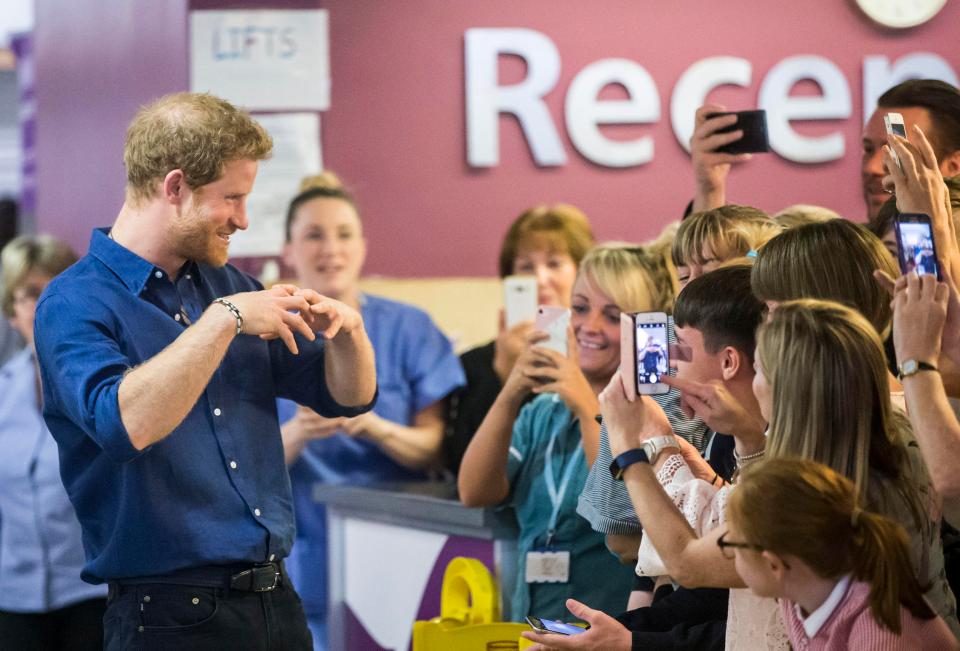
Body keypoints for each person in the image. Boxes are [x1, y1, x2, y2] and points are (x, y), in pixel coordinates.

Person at [33, 92, 377, 650]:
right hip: (167, 616)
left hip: (275, 603)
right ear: (175, 187)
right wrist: (225, 322)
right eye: (232, 199)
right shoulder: (74, 303)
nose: (243, 220)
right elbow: (126, 424)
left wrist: (350, 332)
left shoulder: (232, 286)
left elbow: (347, 396)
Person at [278, 172, 465, 648]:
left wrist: (373, 427)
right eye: (313, 235)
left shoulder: (410, 330)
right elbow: (238, 469)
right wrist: (299, 432)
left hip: (403, 555)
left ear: (363, 245)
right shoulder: (264, 335)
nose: (330, 249)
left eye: (343, 234)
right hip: (302, 564)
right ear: (288, 250)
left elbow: (435, 452)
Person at [459, 244, 663, 622]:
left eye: (612, 316)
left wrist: (585, 401)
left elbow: (614, 505)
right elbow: (475, 491)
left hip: (610, 626)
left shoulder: (649, 414)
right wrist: (510, 393)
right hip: (536, 624)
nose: (589, 327)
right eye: (581, 308)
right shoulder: (544, 410)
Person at [0, 235, 108, 650]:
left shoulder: (106, 381)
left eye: (54, 290)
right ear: (12, 310)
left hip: (92, 590)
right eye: (30, 294)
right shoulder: (5, 390)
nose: (43, 305)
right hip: (14, 597)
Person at [726, 458, 958, 650]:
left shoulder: (880, 637)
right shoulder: (797, 597)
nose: (729, 552)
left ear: (773, 565)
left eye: (733, 546)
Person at [445, 204, 596, 474]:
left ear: (581, 271)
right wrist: (504, 376)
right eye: (526, 267)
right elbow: (460, 465)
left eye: (554, 263)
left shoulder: (600, 353)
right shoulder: (475, 364)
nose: (540, 279)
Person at [863, 79, 960, 224]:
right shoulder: (847, 244)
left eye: (896, 151)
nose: (872, 168)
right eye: (868, 149)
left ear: (954, 166)